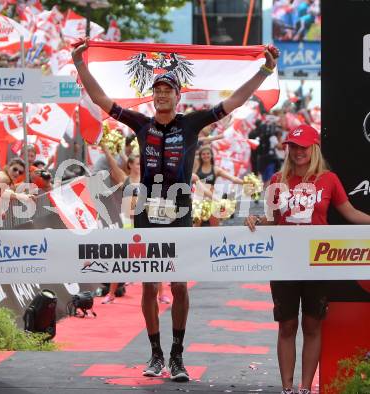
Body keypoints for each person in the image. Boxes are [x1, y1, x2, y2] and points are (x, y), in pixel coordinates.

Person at [72, 37, 279, 382]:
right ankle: (155, 354)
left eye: (168, 90)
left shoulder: (191, 123)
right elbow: (100, 100)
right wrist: (81, 64)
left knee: (179, 285)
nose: (162, 94)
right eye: (158, 90)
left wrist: (264, 71)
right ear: (152, 96)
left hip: (180, 209)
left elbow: (234, 102)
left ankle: (178, 355)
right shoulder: (141, 124)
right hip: (147, 211)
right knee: (150, 286)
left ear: (178, 96)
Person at [245, 124, 370, 394]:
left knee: (312, 324)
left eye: (303, 146)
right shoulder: (277, 180)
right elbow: (270, 219)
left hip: (318, 262)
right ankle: (287, 388)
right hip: (285, 262)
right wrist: (256, 220)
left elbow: (349, 213)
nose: (298, 152)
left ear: (314, 148)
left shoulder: (329, 180)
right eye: (293, 146)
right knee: (287, 324)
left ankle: (305, 388)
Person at [99, 141, 140, 304]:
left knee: (153, 257)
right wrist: (106, 149)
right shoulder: (125, 179)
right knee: (120, 257)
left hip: (145, 223)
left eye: (141, 163)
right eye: (137, 163)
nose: (139, 166)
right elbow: (113, 165)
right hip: (128, 223)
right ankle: (111, 293)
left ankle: (161, 294)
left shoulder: (148, 179)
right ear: (130, 165)